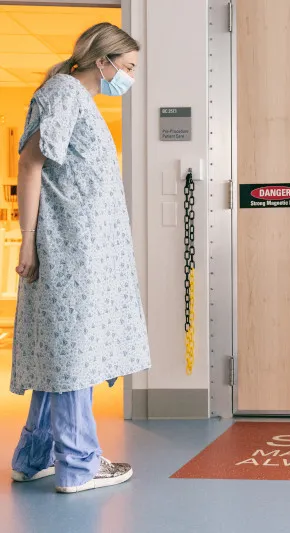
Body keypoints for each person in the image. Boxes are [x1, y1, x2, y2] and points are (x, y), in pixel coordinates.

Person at [9, 23, 150, 494]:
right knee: (75, 353)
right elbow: (31, 164)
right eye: (126, 68)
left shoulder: (74, 98)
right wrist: (27, 239)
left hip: (84, 248)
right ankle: (79, 463)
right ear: (102, 60)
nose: (128, 78)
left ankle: (34, 456)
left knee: (62, 348)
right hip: (69, 249)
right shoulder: (65, 93)